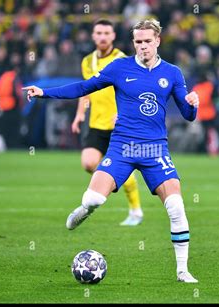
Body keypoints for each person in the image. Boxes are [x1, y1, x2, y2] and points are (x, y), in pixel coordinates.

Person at [23, 19, 199, 283]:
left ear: (158, 41)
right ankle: (83, 210)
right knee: (94, 200)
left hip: (155, 149)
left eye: (147, 41)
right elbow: (83, 88)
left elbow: (187, 115)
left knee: (176, 206)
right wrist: (43, 92)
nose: (143, 47)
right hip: (122, 147)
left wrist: (192, 104)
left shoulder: (172, 72)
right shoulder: (119, 67)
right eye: (138, 42)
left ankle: (183, 271)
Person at [71, 19, 143, 226]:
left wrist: (126, 113)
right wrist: (79, 115)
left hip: (119, 126)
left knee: (118, 166)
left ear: (113, 36)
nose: (102, 36)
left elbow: (136, 90)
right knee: (88, 163)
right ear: (93, 36)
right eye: (99, 33)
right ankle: (112, 179)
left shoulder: (123, 60)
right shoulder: (87, 61)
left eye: (106, 33)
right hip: (96, 123)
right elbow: (86, 91)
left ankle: (135, 211)